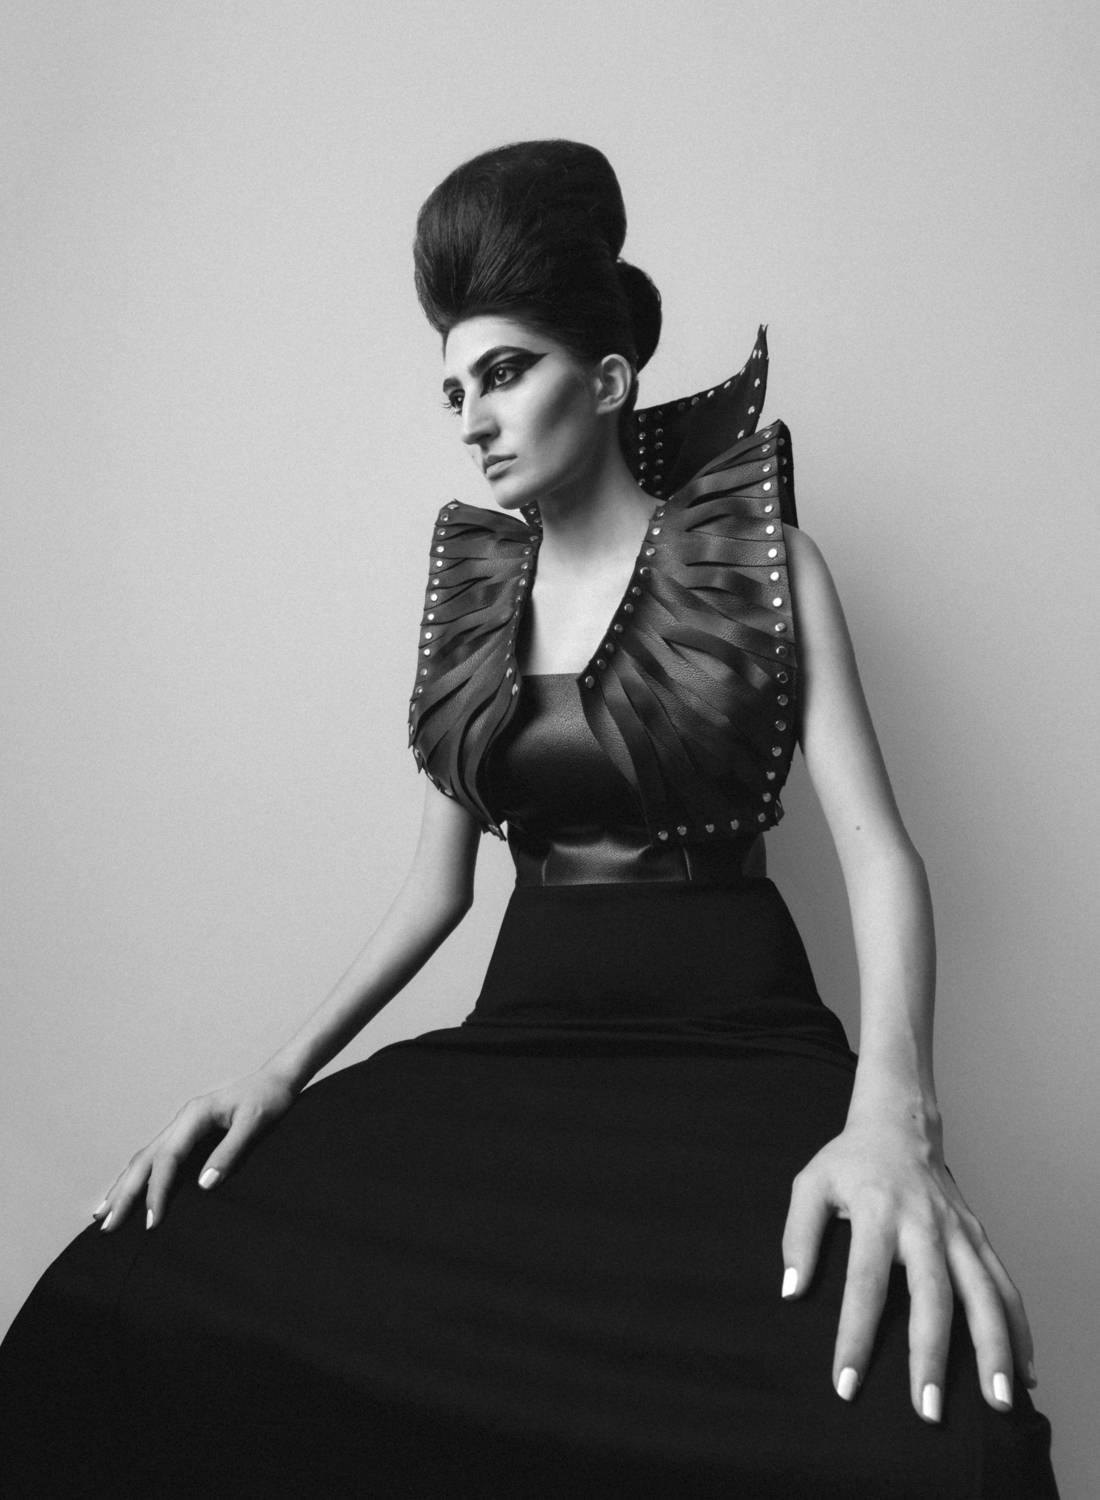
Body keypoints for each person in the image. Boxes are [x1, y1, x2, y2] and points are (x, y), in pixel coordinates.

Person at [0, 139, 1059, 1498]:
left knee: (927, 1414)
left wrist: (895, 1119)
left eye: (504, 373)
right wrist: (276, 1074)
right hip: (526, 1043)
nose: (473, 418)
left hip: (739, 1048)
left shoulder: (764, 561)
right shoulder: (472, 593)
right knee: (129, 1292)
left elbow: (879, 859)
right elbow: (435, 891)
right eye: (455, 390)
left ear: (607, 380)